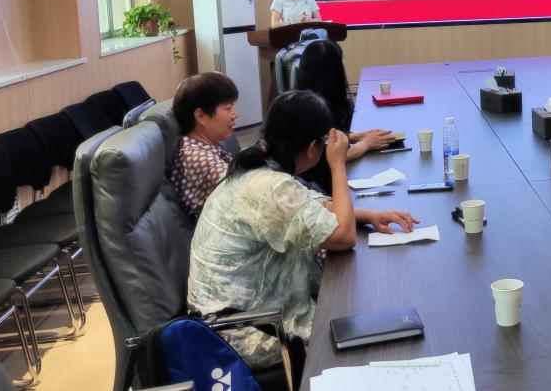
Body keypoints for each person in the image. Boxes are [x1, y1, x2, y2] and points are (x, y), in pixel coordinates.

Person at [187, 90, 418, 378]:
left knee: (363, 304)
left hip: (231, 317)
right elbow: (344, 236)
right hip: (242, 332)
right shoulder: (271, 187)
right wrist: (337, 166)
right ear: (312, 148)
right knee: (365, 329)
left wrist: (368, 215)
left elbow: (310, 206)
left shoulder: (259, 168)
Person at [293, 39, 397, 193]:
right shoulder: (318, 110)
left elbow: (328, 138)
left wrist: (356, 136)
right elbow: (331, 156)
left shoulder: (299, 101)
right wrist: (366, 144)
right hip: (318, 187)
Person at [170, 72, 239, 219]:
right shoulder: (197, 157)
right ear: (201, 116)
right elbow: (244, 187)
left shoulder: (205, 145)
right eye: (228, 109)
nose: (235, 115)